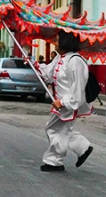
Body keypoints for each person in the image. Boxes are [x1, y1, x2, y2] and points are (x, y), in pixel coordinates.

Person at [36, 30, 94, 172]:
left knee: (56, 129)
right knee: (57, 129)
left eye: (57, 40)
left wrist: (63, 103)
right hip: (61, 104)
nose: (54, 43)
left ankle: (55, 161)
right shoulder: (60, 58)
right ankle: (83, 147)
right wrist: (34, 64)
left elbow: (78, 88)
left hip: (68, 104)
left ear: (65, 41)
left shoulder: (75, 61)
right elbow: (48, 74)